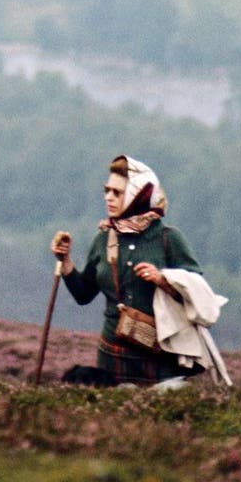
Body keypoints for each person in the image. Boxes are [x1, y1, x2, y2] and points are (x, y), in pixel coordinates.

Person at [51, 154, 207, 385]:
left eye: (117, 192)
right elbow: (83, 294)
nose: (108, 198)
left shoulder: (168, 239)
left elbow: (197, 292)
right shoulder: (103, 239)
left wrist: (163, 280)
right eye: (107, 190)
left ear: (138, 194)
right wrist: (65, 262)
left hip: (161, 361)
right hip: (112, 360)